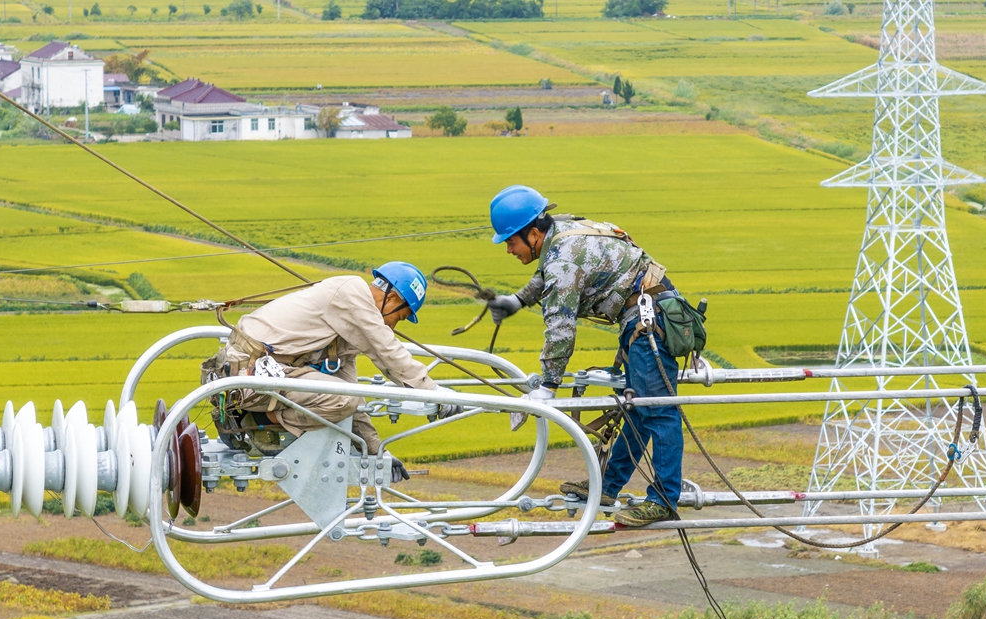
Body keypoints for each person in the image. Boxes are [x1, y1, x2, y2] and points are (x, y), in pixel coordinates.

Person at [486, 185, 683, 527]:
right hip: (643, 317)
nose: (508, 250)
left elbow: (560, 327)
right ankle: (608, 486)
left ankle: (664, 500)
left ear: (533, 233)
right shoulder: (561, 233)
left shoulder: (562, 259)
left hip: (649, 323)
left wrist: (549, 385)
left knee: (658, 410)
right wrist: (518, 300)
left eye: (511, 241)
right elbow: (547, 274)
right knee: (638, 410)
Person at [203, 262, 459, 458]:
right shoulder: (352, 293)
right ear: (391, 298)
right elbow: (386, 349)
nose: (393, 325)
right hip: (248, 374)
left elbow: (352, 392)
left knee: (344, 398)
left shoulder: (343, 327)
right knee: (341, 400)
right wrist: (432, 391)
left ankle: (249, 420)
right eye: (399, 317)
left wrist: (376, 451)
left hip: (257, 374)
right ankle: (249, 422)